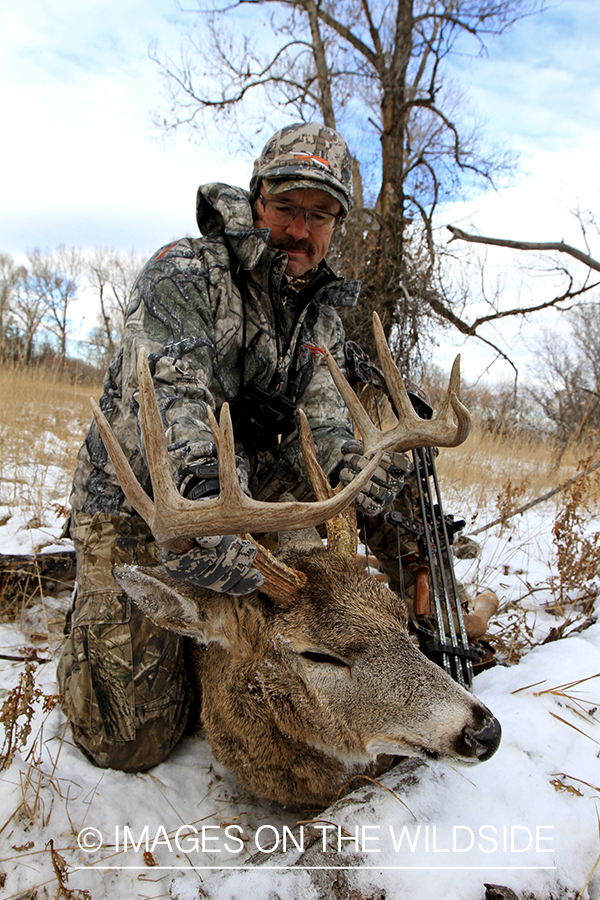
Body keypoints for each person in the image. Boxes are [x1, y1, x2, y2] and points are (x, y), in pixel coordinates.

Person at [57, 122, 410, 772]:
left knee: (311, 619)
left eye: (321, 214)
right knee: (130, 739)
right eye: (287, 208)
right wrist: (205, 512)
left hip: (247, 507)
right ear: (256, 201)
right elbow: (170, 394)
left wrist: (351, 466)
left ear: (337, 224)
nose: (301, 230)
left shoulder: (320, 316)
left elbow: (326, 427)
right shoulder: (186, 273)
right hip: (148, 509)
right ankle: (95, 604)